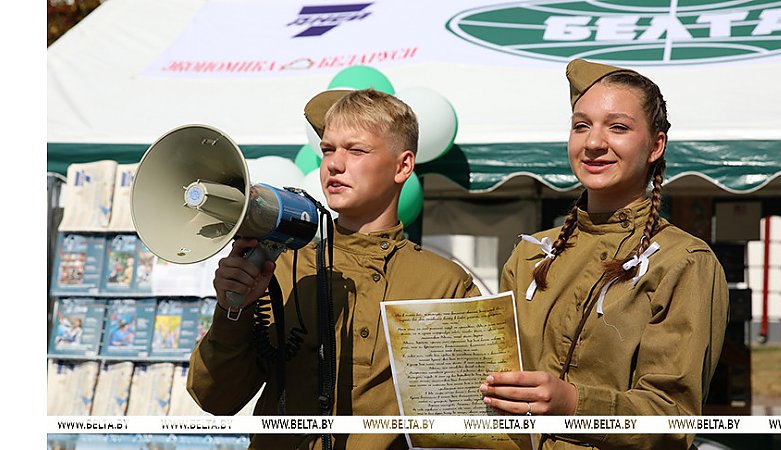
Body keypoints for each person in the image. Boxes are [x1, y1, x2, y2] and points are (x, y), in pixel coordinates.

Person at [187, 88, 481, 450]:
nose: (333, 164)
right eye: (327, 150)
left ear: (403, 166)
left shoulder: (445, 285)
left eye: (356, 150)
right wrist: (234, 308)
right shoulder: (282, 266)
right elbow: (215, 398)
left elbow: (470, 426)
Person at [480, 59, 730, 449]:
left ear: (656, 145)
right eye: (581, 126)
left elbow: (672, 419)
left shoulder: (683, 261)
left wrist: (575, 404)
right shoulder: (529, 257)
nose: (593, 143)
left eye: (618, 127)